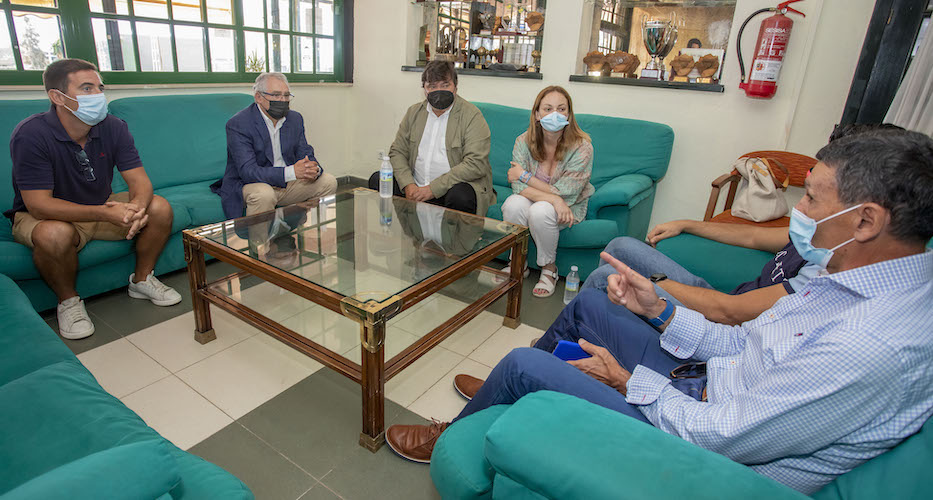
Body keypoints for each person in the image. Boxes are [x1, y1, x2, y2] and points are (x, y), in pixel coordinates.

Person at [383, 130, 933, 496]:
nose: (796, 213)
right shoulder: (847, 281)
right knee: (595, 303)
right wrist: (664, 311)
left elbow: (723, 437)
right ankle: (508, 391)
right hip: (704, 387)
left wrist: (628, 381)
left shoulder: (871, 342)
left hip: (704, 449)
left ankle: (470, 418)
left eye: (811, 198)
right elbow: (745, 346)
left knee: (523, 367)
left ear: (866, 222)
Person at [4, 59, 181, 340]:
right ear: (57, 97)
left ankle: (141, 279)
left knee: (158, 207)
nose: (97, 96)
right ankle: (68, 302)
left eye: (99, 87)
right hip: (47, 215)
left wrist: (136, 208)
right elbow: (39, 204)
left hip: (102, 205)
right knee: (53, 234)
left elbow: (139, 180)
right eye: (86, 88)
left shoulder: (113, 126)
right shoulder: (31, 134)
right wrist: (104, 213)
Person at [584, 224, 817, 325]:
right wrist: (687, 225)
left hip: (721, 322)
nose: (801, 207)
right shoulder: (812, 234)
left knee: (606, 276)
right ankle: (581, 324)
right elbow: (753, 237)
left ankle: (560, 348)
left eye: (811, 197)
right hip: (717, 297)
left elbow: (730, 313)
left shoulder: (820, 273)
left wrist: (653, 282)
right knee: (620, 246)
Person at [499, 86, 594, 298]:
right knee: (513, 203)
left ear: (569, 114)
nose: (555, 114)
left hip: (568, 208)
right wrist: (553, 198)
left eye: (561, 109)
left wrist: (524, 176)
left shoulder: (583, 147)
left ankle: (549, 269)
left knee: (541, 210)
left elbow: (566, 193)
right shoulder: (522, 141)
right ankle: (518, 263)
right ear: (537, 114)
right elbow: (517, 188)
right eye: (548, 108)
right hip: (540, 201)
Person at [367, 61, 494, 216]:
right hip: (415, 186)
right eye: (432, 86)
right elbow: (397, 151)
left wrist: (433, 189)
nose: (439, 91)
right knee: (378, 179)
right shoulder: (414, 113)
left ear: (455, 87)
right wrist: (408, 185)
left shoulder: (471, 116)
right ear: (425, 89)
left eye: (445, 85)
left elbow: (476, 164)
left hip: (450, 189)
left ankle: (459, 240)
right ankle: (397, 233)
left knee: (461, 196)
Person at [211, 72, 337, 221]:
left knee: (329, 182)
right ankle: (259, 243)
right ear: (258, 97)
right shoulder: (239, 124)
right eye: (276, 95)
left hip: (286, 184)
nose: (282, 100)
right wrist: (292, 172)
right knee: (264, 194)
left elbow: (305, 152)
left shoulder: (295, 119)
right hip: (250, 184)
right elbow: (248, 172)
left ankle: (307, 231)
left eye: (286, 96)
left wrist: (312, 169)